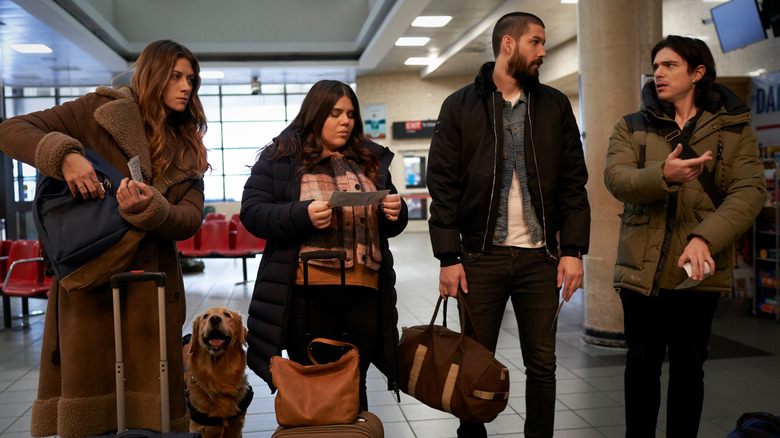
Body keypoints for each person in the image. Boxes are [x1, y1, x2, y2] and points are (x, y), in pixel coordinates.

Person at [0, 40, 209, 437]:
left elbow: (189, 219)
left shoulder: (187, 148)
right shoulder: (95, 112)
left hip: (153, 288)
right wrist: (65, 156)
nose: (186, 87)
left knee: (153, 414)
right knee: (91, 407)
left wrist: (152, 209)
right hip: (91, 280)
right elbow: (11, 129)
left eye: (191, 79)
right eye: (176, 76)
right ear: (151, 76)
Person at [426, 12, 590, 438]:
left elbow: (574, 184)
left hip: (541, 260)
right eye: (536, 42)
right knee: (475, 362)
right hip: (480, 258)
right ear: (508, 45)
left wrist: (573, 251)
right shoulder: (460, 105)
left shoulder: (554, 105)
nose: (543, 51)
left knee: (543, 366)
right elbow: (442, 186)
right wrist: (448, 256)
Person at [604, 35, 766, 437]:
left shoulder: (733, 129)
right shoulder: (632, 125)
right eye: (656, 65)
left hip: (698, 272)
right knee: (640, 371)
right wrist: (663, 175)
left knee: (689, 373)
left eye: (670, 65)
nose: (658, 73)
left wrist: (705, 238)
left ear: (698, 73)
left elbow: (750, 191)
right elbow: (617, 179)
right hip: (643, 274)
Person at [241, 80, 408, 410]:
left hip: (364, 294)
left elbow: (389, 225)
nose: (345, 121)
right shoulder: (281, 159)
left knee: (354, 387)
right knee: (315, 390)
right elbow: (253, 213)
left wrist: (395, 214)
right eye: (335, 113)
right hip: (307, 296)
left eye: (350, 114)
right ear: (315, 114)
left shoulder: (369, 160)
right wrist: (301, 214)